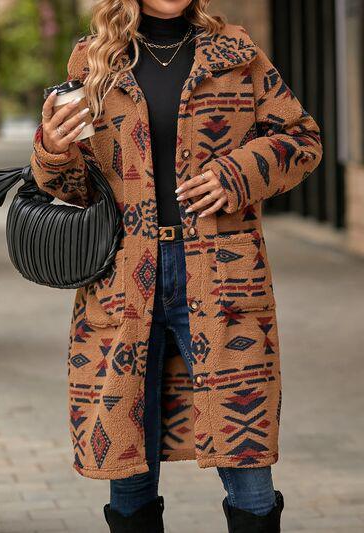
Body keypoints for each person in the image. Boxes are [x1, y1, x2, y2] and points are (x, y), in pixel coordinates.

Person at [30, 1, 323, 531]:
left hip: (225, 279)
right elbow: (74, 189)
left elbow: (303, 139)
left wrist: (237, 174)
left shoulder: (236, 52)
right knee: (129, 465)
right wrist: (52, 150)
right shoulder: (95, 59)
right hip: (124, 282)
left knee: (248, 463)